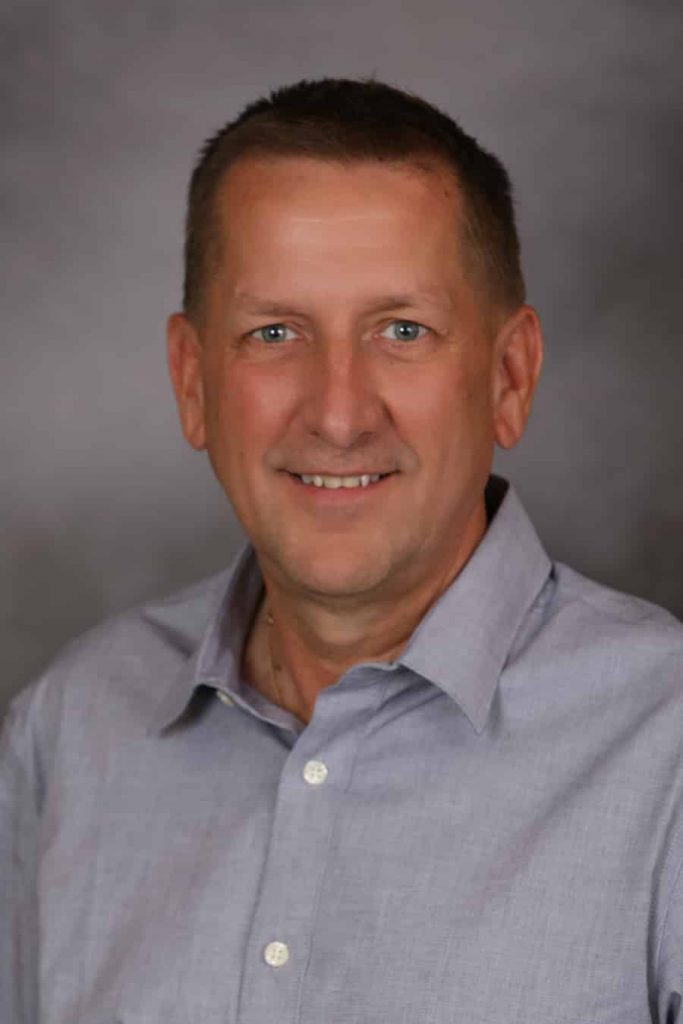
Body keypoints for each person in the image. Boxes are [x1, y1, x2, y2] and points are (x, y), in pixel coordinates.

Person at [1, 77, 682, 1024]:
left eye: (402, 331)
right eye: (274, 332)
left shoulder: (665, 753)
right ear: (193, 383)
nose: (337, 414)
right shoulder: (68, 734)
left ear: (508, 377)